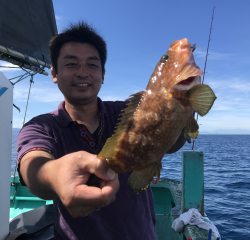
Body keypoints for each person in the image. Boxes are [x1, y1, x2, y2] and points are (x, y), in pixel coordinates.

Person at [17, 22, 186, 239]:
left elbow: (169, 145)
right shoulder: (40, 127)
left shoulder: (128, 111)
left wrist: (181, 117)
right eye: (71, 64)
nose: (82, 73)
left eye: (92, 65)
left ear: (103, 75)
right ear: (54, 73)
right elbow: (33, 166)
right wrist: (54, 175)